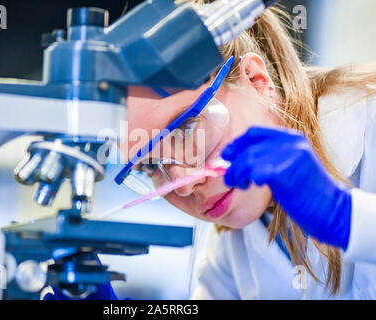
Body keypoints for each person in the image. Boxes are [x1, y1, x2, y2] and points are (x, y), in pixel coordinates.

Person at [121, 2, 376, 299]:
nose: (187, 184)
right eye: (150, 165)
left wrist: (349, 218)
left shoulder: (369, 119)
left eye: (187, 128)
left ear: (256, 81)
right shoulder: (230, 248)